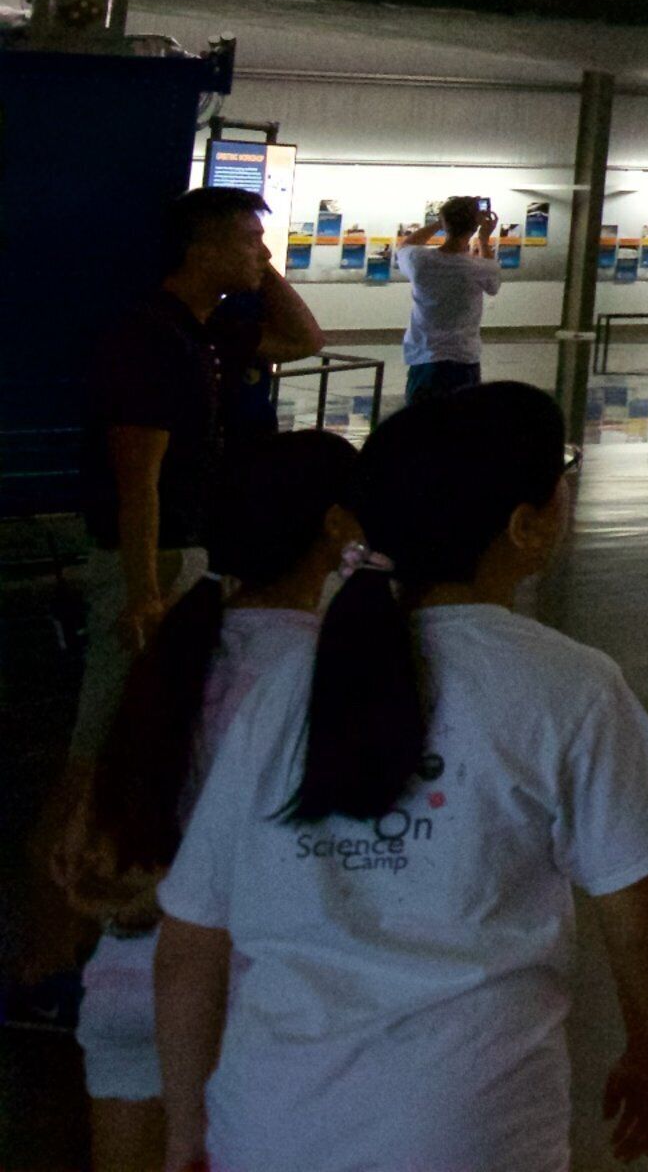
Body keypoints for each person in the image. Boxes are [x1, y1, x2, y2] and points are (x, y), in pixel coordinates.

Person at [155, 382, 648, 1172]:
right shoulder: (568, 685)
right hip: (471, 1123)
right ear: (525, 526)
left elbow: (191, 938)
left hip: (270, 1118)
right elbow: (637, 912)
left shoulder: (286, 684)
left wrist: (185, 1135)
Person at [54, 431, 351, 1172]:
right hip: (236, 996)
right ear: (338, 528)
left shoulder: (176, 650)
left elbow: (88, 847)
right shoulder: (320, 671)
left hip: (126, 976)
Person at [76, 188, 319, 762]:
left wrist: (260, 273)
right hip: (153, 556)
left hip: (187, 548)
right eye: (250, 241)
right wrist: (144, 596)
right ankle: (74, 837)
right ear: (201, 251)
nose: (263, 253)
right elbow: (139, 481)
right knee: (112, 721)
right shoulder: (153, 338)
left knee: (159, 719)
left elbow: (307, 340)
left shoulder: (206, 331)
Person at [395, 196, 503, 404]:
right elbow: (493, 285)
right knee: (460, 426)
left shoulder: (419, 260)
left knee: (421, 424)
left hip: (424, 357)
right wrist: (483, 239)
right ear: (475, 227)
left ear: (445, 223)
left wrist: (440, 222)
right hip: (464, 358)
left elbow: (406, 245)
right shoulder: (480, 268)